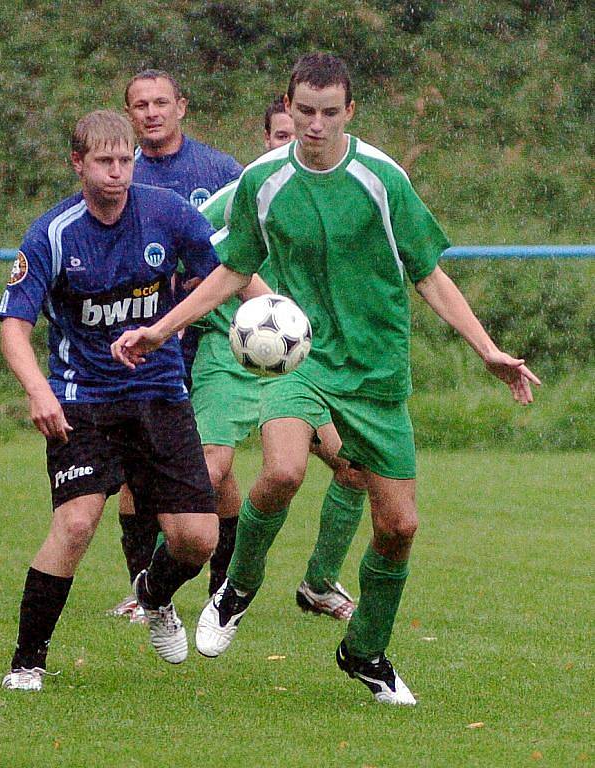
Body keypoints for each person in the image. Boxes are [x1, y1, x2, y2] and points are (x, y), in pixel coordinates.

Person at [111, 53, 540, 706]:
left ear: (350, 112)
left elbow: (428, 272)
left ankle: (364, 651)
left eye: (329, 114)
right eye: (304, 112)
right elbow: (230, 268)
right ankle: (236, 589)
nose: (314, 126)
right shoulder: (263, 180)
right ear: (290, 104)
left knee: (399, 527)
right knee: (282, 471)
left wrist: (487, 350)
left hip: (376, 374)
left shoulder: (380, 179)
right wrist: (162, 329)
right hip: (302, 362)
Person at [0, 110, 220, 691]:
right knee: (75, 523)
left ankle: (153, 592)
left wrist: (277, 310)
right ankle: (27, 661)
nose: (118, 172)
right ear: (78, 163)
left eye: (126, 161)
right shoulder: (53, 232)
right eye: (104, 161)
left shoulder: (167, 212)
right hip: (82, 399)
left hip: (159, 393)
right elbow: (14, 327)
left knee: (198, 538)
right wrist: (40, 392)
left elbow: (226, 272)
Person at [193, 96, 367, 620]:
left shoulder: (327, 199)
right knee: (213, 471)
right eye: (279, 135)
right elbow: (193, 242)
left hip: (301, 364)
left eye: (298, 135)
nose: (291, 143)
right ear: (265, 139)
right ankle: (155, 582)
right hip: (230, 357)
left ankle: (318, 582)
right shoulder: (239, 194)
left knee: (354, 466)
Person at [110, 69, 243, 622]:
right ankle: (144, 587)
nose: (151, 112)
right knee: (136, 474)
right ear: (129, 114)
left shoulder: (219, 171)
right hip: (146, 343)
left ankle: (222, 585)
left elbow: (247, 247)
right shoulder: (118, 175)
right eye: (139, 104)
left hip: (210, 339)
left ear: (181, 106)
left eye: (160, 102)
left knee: (216, 470)